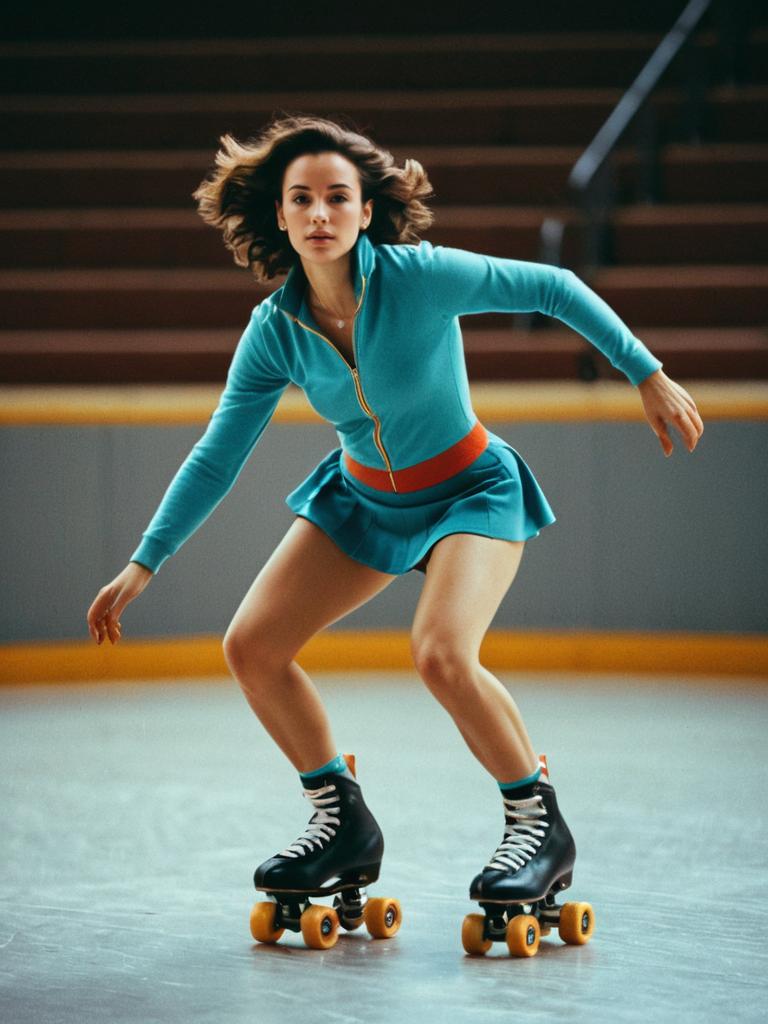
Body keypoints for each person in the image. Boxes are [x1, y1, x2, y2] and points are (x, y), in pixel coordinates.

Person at [86, 114, 704, 935]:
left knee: (441, 654)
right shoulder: (274, 331)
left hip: (469, 492)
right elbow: (217, 455)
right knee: (252, 647)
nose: (320, 213)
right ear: (279, 214)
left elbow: (553, 287)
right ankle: (340, 820)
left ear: (366, 210)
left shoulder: (420, 278)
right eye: (301, 198)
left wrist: (646, 372)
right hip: (363, 500)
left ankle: (538, 824)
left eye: (337, 197)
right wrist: (144, 562)